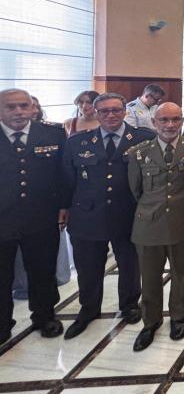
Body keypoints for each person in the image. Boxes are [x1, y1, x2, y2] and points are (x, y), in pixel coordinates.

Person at [61, 93, 156, 339]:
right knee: (88, 266)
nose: (110, 115)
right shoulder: (77, 143)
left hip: (129, 215)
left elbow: (153, 180)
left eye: (115, 110)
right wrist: (64, 210)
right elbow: (67, 181)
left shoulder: (145, 139)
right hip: (88, 216)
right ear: (95, 112)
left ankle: (129, 304)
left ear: (125, 110)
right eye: (104, 111)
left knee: (130, 264)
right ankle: (89, 308)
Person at [127, 103, 184, 351]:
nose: (170, 125)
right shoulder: (138, 152)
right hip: (149, 222)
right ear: (154, 122)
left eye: (175, 120)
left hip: (183, 220)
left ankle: (178, 317)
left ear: (181, 120)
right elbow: (135, 189)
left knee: (180, 272)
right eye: (164, 120)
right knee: (149, 276)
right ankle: (151, 321)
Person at [0, 88, 67, 344]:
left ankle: (44, 316)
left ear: (32, 108)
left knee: (42, 270)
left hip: (41, 216)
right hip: (2, 219)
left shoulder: (52, 132)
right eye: (10, 107)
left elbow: (63, 174)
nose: (18, 112)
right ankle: (2, 323)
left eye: (23, 106)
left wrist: (64, 205)